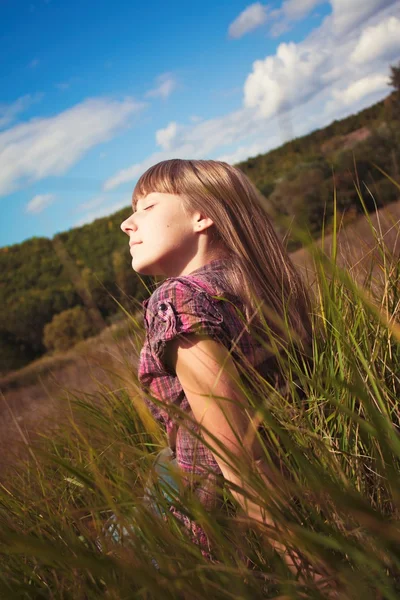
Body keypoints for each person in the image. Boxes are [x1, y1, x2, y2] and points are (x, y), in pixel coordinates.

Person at [120, 159, 317, 580]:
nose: (126, 223)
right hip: (301, 485)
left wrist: (309, 571)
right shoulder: (261, 282)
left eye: (146, 206)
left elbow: (239, 456)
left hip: (208, 532)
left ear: (202, 215)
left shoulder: (177, 300)